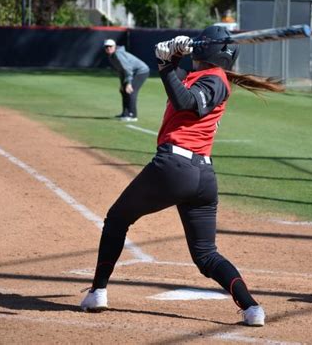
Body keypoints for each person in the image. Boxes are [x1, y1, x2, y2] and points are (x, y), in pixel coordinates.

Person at [82, 27, 284, 326]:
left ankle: (98, 291)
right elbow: (178, 84)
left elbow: (186, 101)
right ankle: (251, 308)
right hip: (202, 177)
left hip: (175, 167)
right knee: (205, 255)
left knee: (116, 219)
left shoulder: (216, 80)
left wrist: (166, 66)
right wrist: (171, 55)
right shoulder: (206, 76)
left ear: (207, 51)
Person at [103, 39, 150, 122]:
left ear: (114, 46)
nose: (108, 48)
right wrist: (122, 84)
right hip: (132, 72)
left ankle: (133, 115)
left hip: (141, 71)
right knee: (123, 90)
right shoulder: (111, 56)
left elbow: (128, 69)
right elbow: (121, 71)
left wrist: (128, 83)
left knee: (131, 91)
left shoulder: (118, 54)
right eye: (106, 47)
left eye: (110, 46)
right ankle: (125, 113)